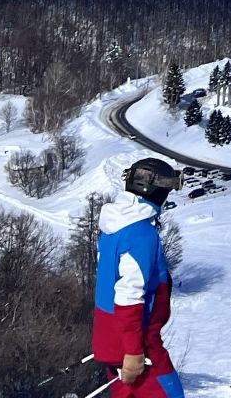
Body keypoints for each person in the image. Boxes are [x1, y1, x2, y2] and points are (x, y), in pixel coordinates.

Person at [93, 157, 184, 398]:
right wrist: (134, 352)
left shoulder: (114, 227)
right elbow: (128, 296)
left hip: (114, 340)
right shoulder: (141, 233)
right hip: (139, 345)